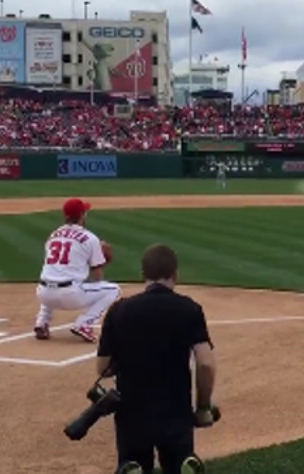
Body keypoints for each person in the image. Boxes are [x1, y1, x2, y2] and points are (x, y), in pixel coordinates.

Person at [97, 244, 217, 474]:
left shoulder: (119, 310)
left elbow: (103, 368)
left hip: (132, 415)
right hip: (175, 413)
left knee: (133, 468)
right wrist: (203, 408)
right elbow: (206, 363)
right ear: (175, 274)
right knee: (181, 467)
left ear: (143, 275)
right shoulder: (189, 309)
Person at [33, 198, 121, 343]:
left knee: (52, 277)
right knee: (114, 289)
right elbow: (97, 272)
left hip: (43, 294)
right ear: (82, 215)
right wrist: (97, 285)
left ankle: (42, 322)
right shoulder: (90, 238)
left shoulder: (53, 235)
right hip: (70, 295)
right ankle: (84, 323)